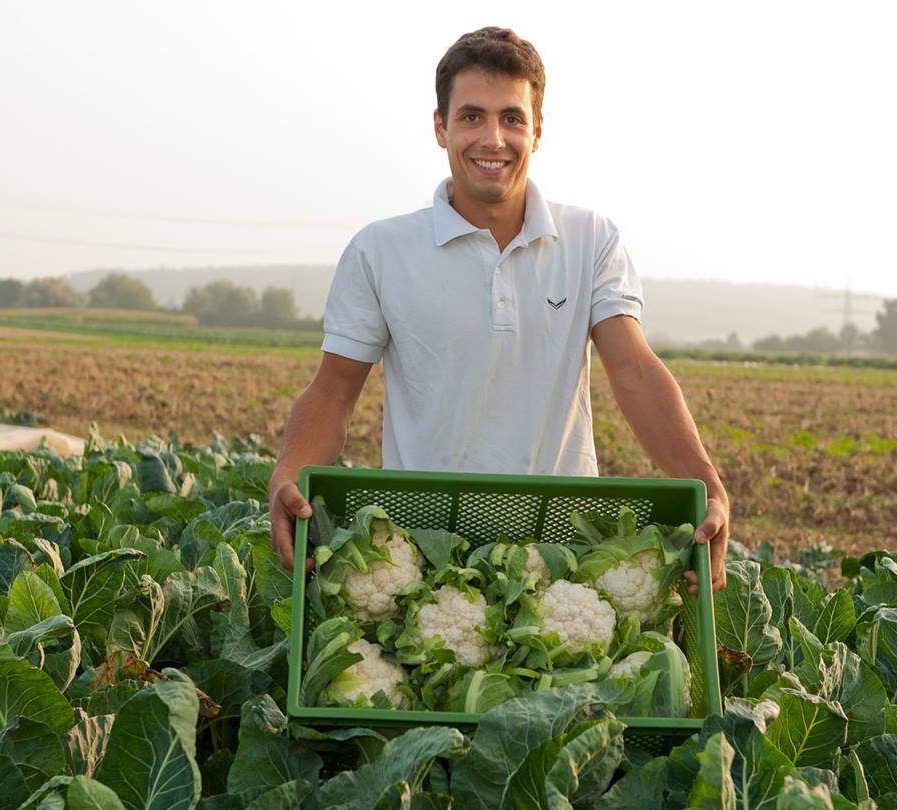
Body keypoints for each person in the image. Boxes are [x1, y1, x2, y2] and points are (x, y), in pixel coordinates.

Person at [268, 26, 730, 593]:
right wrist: (287, 473)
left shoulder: (591, 239)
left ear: (538, 129)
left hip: (563, 556)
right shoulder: (379, 250)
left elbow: (633, 370)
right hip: (424, 554)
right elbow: (333, 393)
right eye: (471, 117)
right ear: (440, 128)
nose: (493, 138)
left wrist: (704, 480)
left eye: (512, 118)